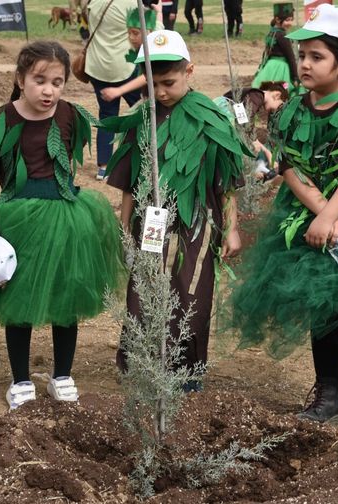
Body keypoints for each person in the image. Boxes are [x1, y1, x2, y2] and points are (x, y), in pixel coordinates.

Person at [225, 5, 338, 432]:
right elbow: (289, 167)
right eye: (302, 55)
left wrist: (332, 214)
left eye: (316, 57)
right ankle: (327, 389)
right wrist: (319, 214)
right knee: (315, 299)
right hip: (305, 214)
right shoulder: (291, 110)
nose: (304, 64)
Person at [0, 41, 126, 410]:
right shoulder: (0, 120)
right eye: (40, 80)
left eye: (58, 82)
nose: (49, 90)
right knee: (20, 298)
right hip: (18, 217)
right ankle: (21, 380)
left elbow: (67, 164)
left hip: (66, 217)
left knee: (67, 295)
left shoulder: (71, 116)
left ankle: (62, 375)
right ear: (20, 79)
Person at [101, 30, 250, 392]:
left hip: (196, 223)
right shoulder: (142, 120)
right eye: (152, 85)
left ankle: (187, 372)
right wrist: (124, 228)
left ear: (190, 71)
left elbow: (225, 182)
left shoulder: (211, 119)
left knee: (191, 291)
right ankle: (142, 363)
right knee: (146, 288)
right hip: (150, 223)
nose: (160, 93)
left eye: (168, 83)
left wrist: (231, 227)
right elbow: (128, 182)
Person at [86, 0, 161, 181]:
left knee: (107, 115)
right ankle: (150, 156)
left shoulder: (94, 2)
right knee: (147, 112)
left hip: (98, 64)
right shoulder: (130, 3)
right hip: (124, 65)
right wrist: (158, 14)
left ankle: (104, 166)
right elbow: (151, 28)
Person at [98, 6, 162, 105]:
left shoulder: (154, 49)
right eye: (129, 33)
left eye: (135, 33)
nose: (131, 37)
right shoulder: (154, 31)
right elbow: (159, 24)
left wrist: (119, 90)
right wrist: (159, 10)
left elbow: (149, 75)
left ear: (149, 32)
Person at [252, 3, 297, 90]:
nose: (290, 23)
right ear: (277, 19)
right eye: (287, 20)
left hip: (270, 67)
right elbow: (290, 57)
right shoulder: (283, 36)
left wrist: (261, 68)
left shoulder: (272, 32)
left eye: (291, 20)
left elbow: (266, 53)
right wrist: (295, 77)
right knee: (281, 91)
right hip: (281, 68)